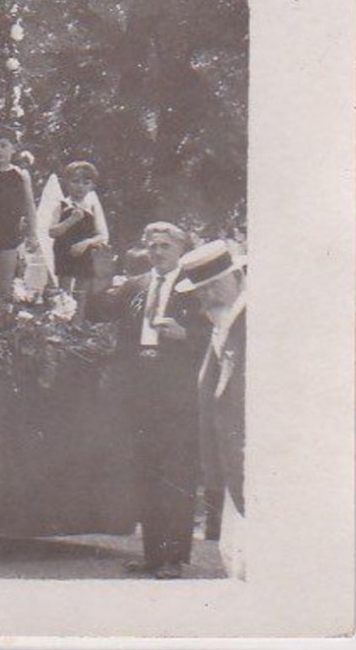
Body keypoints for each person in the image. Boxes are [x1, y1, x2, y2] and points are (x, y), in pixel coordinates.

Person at [88, 221, 206, 579]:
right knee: (146, 471)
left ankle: (174, 557)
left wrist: (185, 334)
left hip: (177, 389)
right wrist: (100, 276)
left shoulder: (194, 288)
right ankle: (153, 554)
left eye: (164, 247)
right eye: (152, 246)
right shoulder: (136, 286)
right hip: (139, 389)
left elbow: (216, 333)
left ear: (180, 250)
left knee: (175, 473)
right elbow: (100, 313)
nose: (157, 253)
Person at [174, 239, 247, 577]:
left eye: (212, 287)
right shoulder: (223, 325)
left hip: (254, 469)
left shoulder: (252, 323)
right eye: (202, 291)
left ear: (234, 278)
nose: (206, 298)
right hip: (233, 470)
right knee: (234, 556)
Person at [0, 124, 39, 325]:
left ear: (13, 149)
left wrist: (32, 234)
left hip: (9, 235)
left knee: (5, 283)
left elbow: (29, 206)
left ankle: (1, 323)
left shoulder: (20, 175)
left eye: (4, 146)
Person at [47, 160, 110, 320]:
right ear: (66, 183)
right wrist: (71, 220)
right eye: (75, 181)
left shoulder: (92, 207)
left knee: (81, 293)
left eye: (85, 182)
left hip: (84, 253)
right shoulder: (61, 205)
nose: (80, 186)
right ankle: (61, 325)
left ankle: (77, 326)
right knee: (64, 292)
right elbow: (52, 232)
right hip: (64, 252)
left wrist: (86, 243)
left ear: (92, 186)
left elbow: (103, 236)